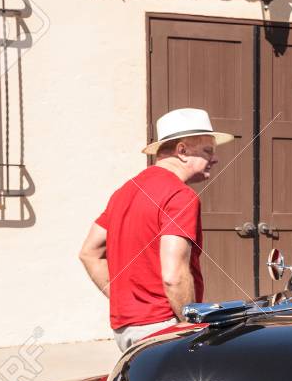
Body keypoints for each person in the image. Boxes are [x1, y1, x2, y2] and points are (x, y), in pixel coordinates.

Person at [79, 108, 232, 351]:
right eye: (207, 151)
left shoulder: (124, 192)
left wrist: (124, 299)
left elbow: (89, 252)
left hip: (125, 328)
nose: (215, 159)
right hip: (163, 327)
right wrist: (190, 325)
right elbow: (174, 275)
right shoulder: (180, 196)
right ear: (182, 151)